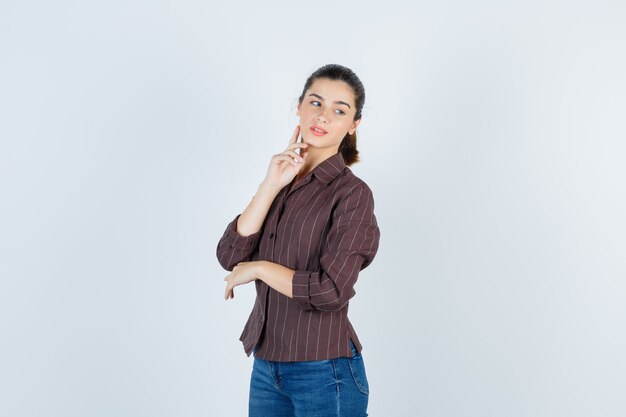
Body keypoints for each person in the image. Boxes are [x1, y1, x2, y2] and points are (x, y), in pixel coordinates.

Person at [216, 64, 381, 417]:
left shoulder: (352, 194)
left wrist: (260, 268)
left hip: (324, 371)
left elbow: (330, 290)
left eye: (340, 110)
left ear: (354, 125)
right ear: (300, 107)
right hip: (266, 368)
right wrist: (270, 184)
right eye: (315, 102)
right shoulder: (282, 182)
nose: (323, 115)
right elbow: (231, 254)